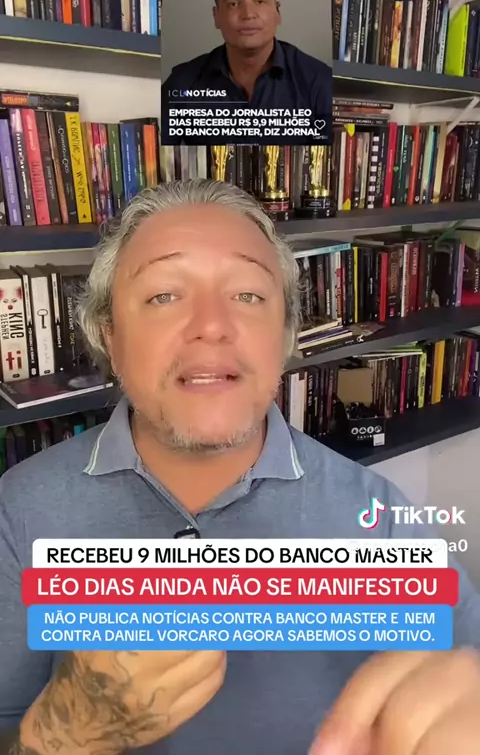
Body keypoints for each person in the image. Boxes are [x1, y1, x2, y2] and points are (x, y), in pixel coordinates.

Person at [0, 179, 479, 755]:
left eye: (248, 295)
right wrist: (66, 731)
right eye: (163, 295)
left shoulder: (385, 522)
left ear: (286, 335)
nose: (212, 324)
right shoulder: (18, 512)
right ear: (110, 336)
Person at [162, 0, 332, 115]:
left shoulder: (319, 82)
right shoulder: (182, 84)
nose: (248, 14)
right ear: (216, 16)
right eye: (234, 4)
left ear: (277, 11)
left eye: (259, 1)